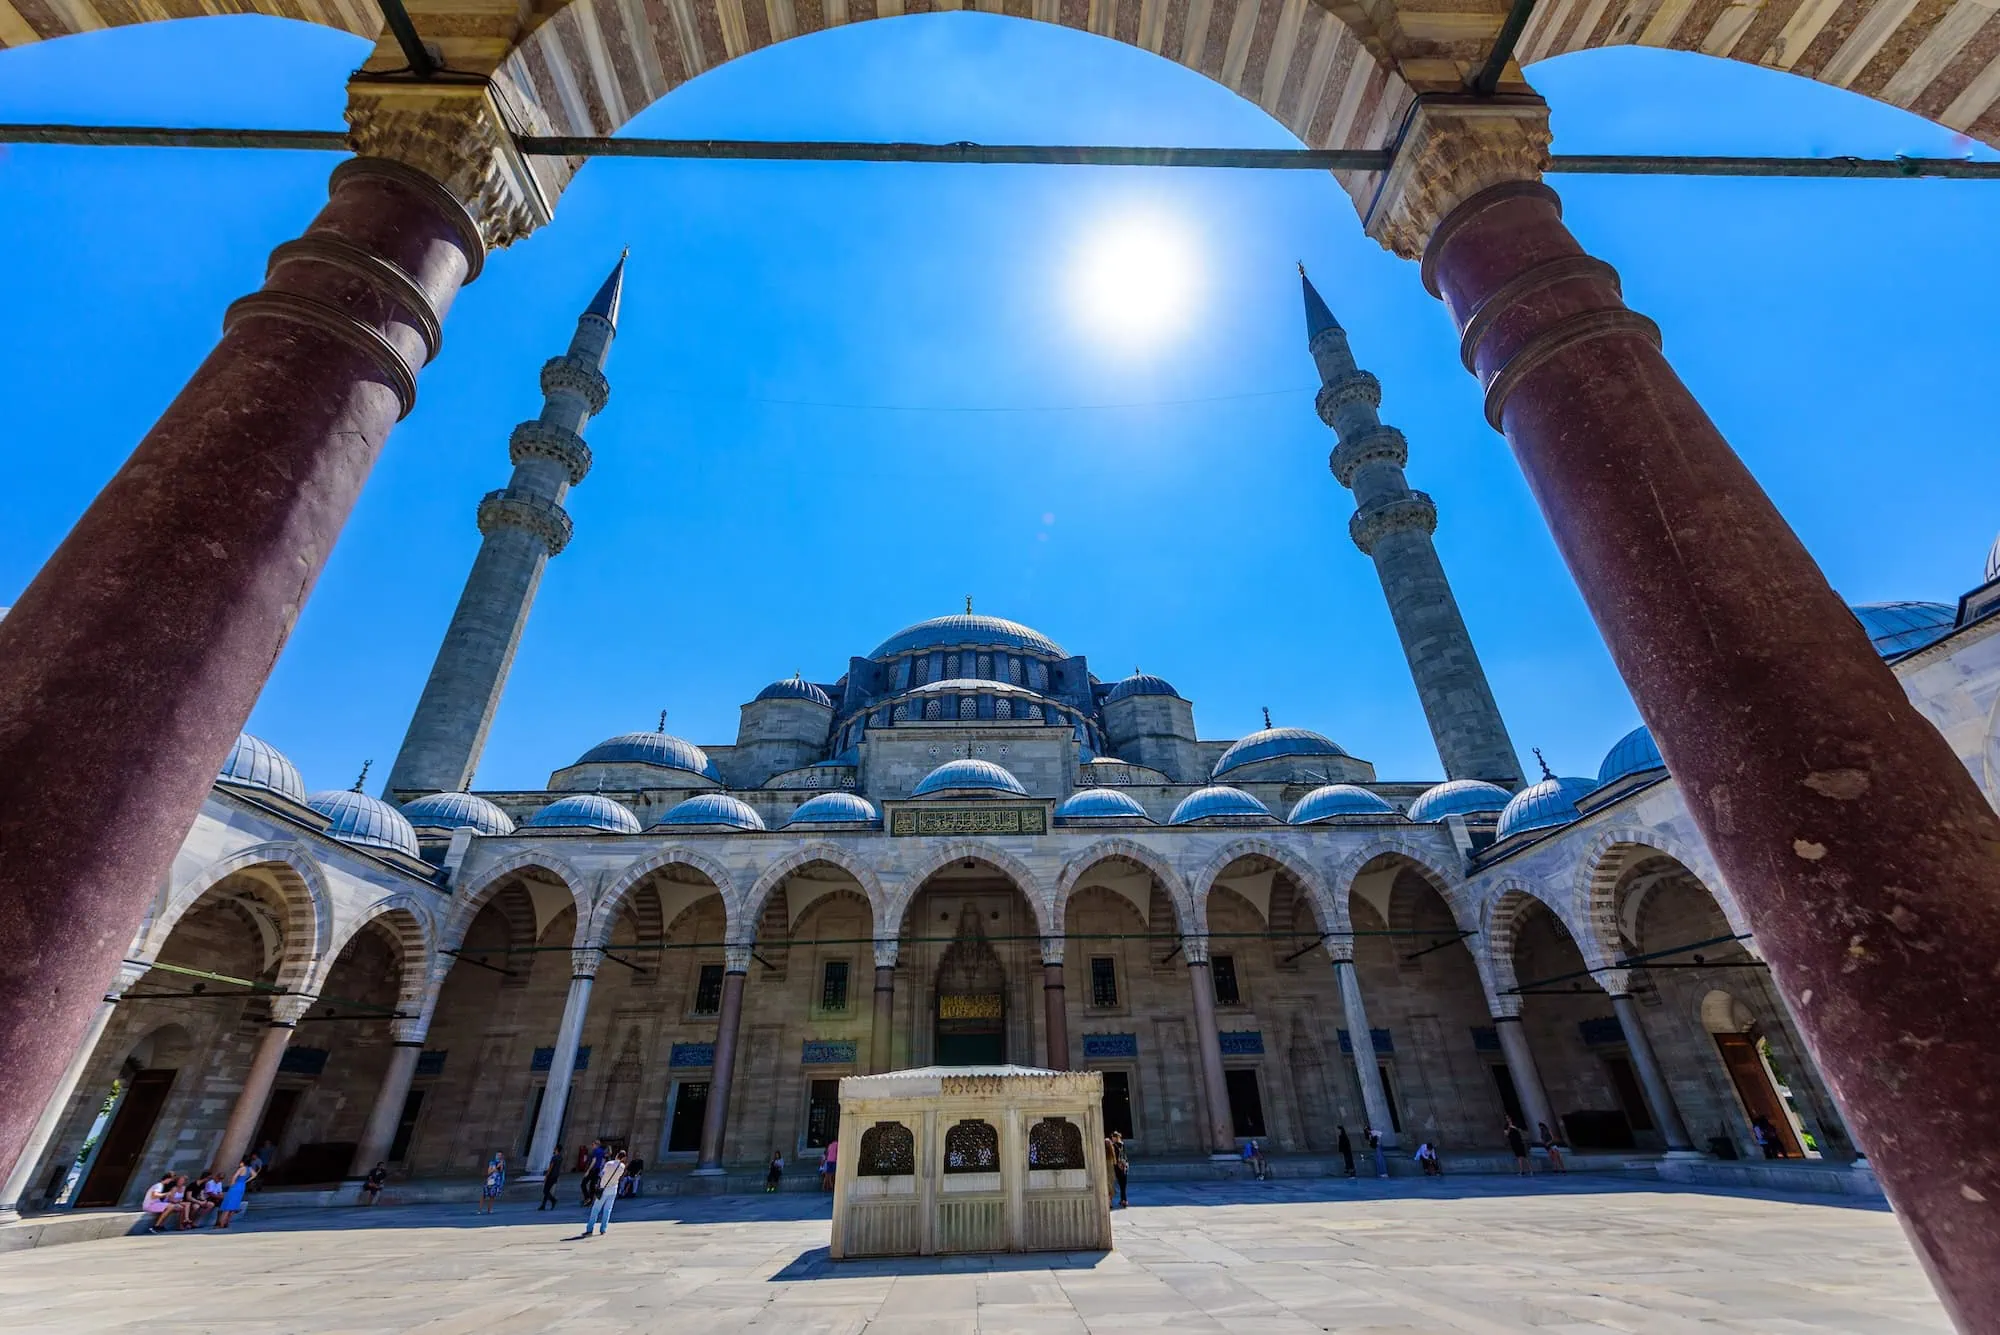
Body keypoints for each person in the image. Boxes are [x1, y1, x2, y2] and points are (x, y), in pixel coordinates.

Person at [583, 1151, 627, 1237]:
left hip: (604, 1189)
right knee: (607, 1210)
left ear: (617, 1155)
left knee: (596, 1209)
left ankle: (590, 1229)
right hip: (613, 1189)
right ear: (623, 1158)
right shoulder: (622, 1166)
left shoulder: (609, 1164)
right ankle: (603, 1229)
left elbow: (601, 1174)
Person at [214, 1156, 256, 1229]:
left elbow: (234, 1177)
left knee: (228, 1205)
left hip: (236, 1186)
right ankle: (227, 1222)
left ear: (243, 1162)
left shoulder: (241, 1169)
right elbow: (255, 1175)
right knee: (234, 1204)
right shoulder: (249, 1169)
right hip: (242, 1186)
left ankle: (221, 1223)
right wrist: (246, 1181)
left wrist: (231, 1185)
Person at [1108, 1130, 1129, 1209]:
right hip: (1124, 1166)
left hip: (1117, 1167)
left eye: (1112, 1137)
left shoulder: (1113, 1146)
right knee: (1123, 1185)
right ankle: (1124, 1200)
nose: (1112, 1139)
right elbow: (1125, 1156)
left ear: (1115, 1137)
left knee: (1119, 1184)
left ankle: (1120, 1200)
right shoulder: (1123, 1145)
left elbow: (1113, 1157)